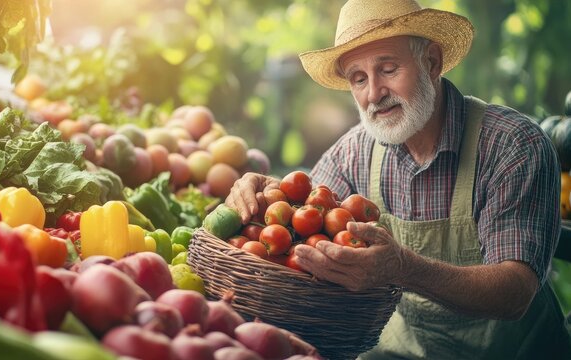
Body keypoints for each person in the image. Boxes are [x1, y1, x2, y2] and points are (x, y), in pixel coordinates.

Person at [225, 0, 571, 358]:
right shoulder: (355, 152)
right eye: (358, 79)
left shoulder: (513, 146)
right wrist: (266, 192)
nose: (374, 93)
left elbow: (514, 294)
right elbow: (304, 214)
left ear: (432, 62)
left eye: (388, 69)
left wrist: (404, 268)